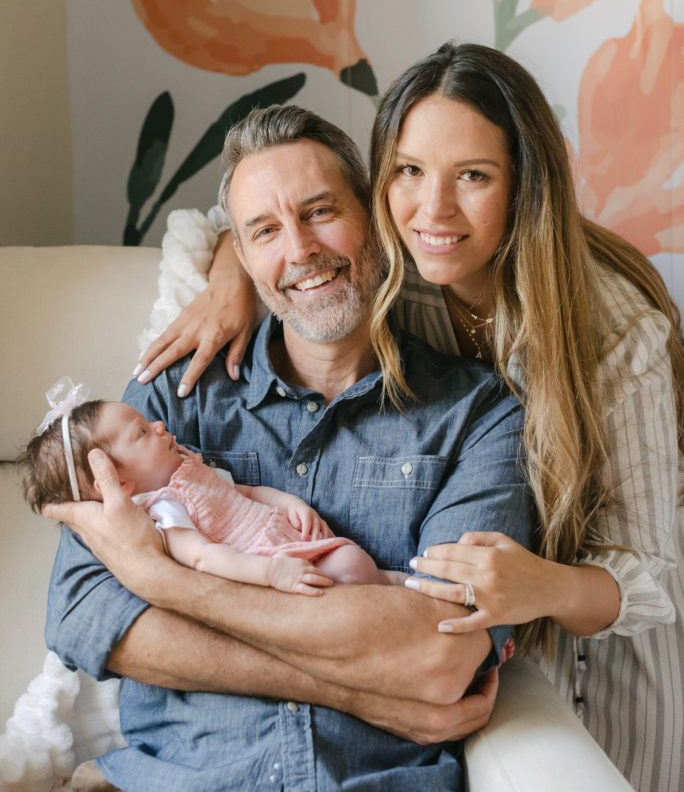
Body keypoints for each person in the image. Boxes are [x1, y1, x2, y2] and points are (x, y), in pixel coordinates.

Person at [137, 44, 684, 792]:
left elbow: (654, 579)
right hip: (498, 617)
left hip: (606, 638)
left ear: (524, 186)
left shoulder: (616, 334)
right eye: (409, 171)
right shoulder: (398, 270)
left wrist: (543, 588)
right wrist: (235, 277)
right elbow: (283, 215)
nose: (433, 211)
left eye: (474, 177)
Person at [44, 105, 535, 791]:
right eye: (266, 231)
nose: (300, 249)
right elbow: (82, 615)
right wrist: (361, 690)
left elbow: (440, 653)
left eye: (320, 211)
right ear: (241, 258)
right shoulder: (166, 400)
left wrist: (165, 584)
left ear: (374, 217)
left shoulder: (478, 415)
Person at [21, 387, 397, 593]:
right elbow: (204, 557)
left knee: (353, 560)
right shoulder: (164, 512)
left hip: (286, 537)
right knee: (350, 566)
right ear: (119, 483)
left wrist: (291, 502)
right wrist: (271, 574)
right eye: (141, 433)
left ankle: (394, 585)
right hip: (267, 566)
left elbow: (246, 493)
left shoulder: (191, 467)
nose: (158, 424)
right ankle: (391, 593)